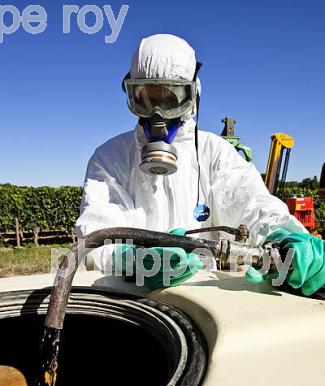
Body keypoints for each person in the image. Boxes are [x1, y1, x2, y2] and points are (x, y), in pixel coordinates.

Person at [76, 33, 324, 296]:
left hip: (206, 300)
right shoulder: (111, 157)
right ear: (131, 96)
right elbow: (95, 236)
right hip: (131, 299)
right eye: (146, 99)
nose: (157, 115)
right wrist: (132, 260)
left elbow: (253, 206)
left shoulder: (215, 152)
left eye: (170, 99)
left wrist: (282, 238)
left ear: (193, 96)